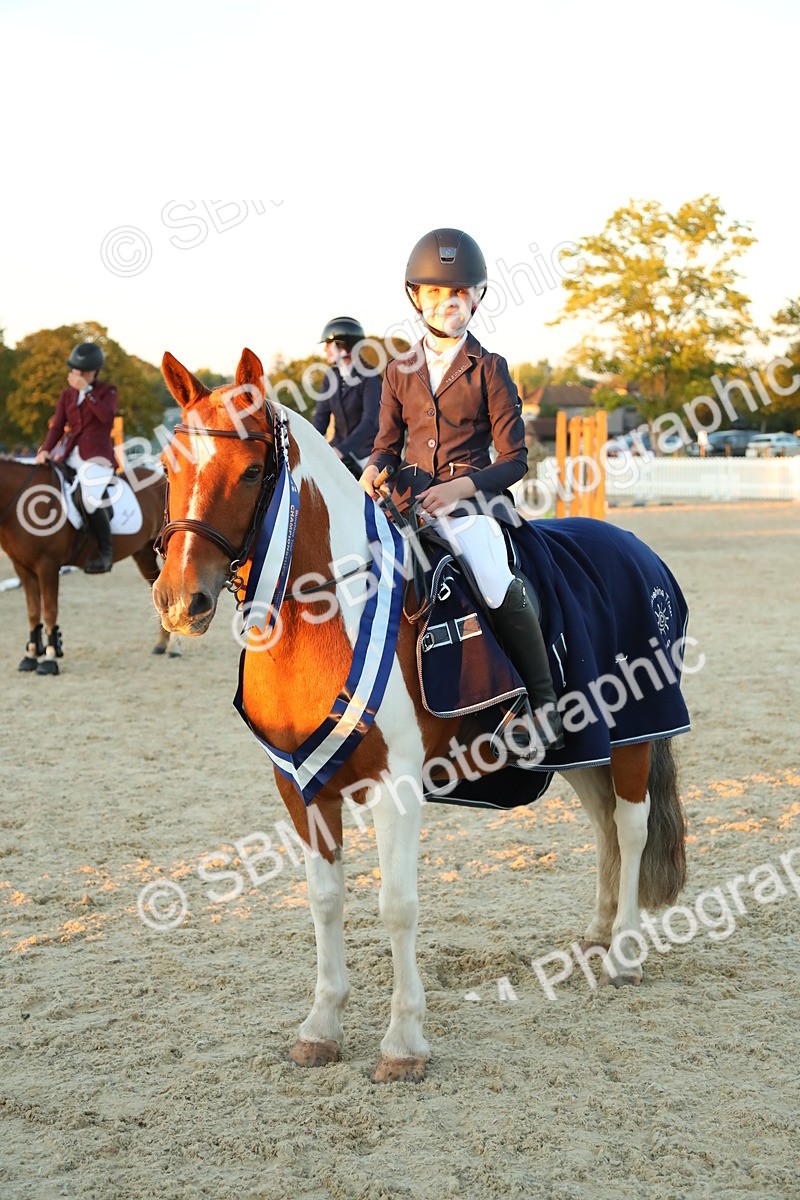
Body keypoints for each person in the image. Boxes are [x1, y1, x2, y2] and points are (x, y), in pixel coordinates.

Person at [360, 228, 564, 751]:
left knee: (493, 578)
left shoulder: (489, 368)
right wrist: (373, 469)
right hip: (406, 505)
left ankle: (543, 705)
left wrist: (460, 490)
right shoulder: (398, 370)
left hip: (472, 505)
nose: (447, 303)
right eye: (435, 293)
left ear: (475, 298)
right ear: (416, 298)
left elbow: (515, 459)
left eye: (457, 293)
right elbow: (386, 445)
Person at [35, 342, 117, 573]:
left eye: (83, 372)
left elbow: (106, 418)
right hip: (71, 456)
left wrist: (86, 391)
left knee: (87, 499)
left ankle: (105, 552)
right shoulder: (66, 394)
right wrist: (45, 450)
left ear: (94, 372)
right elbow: (57, 426)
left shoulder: (107, 392)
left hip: (98, 458)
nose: (78, 375)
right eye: (75, 371)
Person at [311, 317, 381, 478]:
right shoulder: (331, 377)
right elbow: (321, 418)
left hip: (365, 452)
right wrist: (311, 443)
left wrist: (342, 450)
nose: (325, 350)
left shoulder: (369, 378)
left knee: (378, 494)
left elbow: (370, 421)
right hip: (337, 448)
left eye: (329, 345)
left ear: (343, 347)